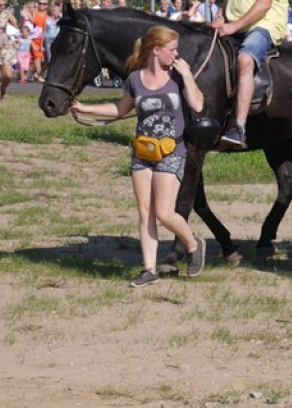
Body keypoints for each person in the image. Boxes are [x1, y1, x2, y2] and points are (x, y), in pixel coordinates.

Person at [72, 25, 206, 286]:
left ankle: (193, 244)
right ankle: (149, 269)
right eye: (171, 49)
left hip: (172, 150)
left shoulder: (178, 77)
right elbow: (120, 109)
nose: (176, 54)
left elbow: (198, 105)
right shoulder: (134, 79)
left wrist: (188, 76)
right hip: (143, 152)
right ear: (156, 50)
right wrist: (86, 108)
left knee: (164, 213)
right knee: (145, 212)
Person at [212, 0, 289, 149]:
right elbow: (229, 2)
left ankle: (239, 128)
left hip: (263, 26)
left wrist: (234, 25)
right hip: (235, 26)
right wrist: (219, 17)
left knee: (245, 60)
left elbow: (264, 4)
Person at [31, 0, 49, 82]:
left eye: (44, 3)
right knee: (37, 57)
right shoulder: (34, 14)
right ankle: (39, 75)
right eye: (40, 3)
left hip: (45, 39)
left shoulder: (49, 15)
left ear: (47, 5)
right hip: (35, 39)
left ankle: (38, 74)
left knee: (46, 59)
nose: (42, 5)